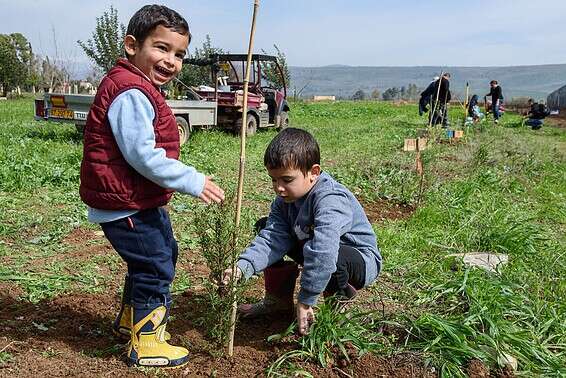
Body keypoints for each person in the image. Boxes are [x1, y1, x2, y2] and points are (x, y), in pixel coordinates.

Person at [79, 5, 225, 368]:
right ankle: (146, 342)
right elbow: (142, 156)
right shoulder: (130, 92)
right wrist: (193, 180)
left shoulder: (137, 86)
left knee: (162, 251)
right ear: (132, 45)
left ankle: (133, 319)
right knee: (155, 264)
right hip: (125, 202)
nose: (171, 61)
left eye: (179, 54)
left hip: (133, 199)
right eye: (161, 48)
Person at [223, 128, 382, 336]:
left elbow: (324, 250)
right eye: (274, 179)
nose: (279, 188)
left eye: (287, 180)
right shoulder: (284, 202)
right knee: (266, 227)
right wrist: (242, 268)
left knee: (334, 258)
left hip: (357, 259)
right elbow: (272, 240)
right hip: (311, 245)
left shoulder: (330, 199)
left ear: (313, 173)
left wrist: (306, 298)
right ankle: (277, 302)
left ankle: (337, 319)